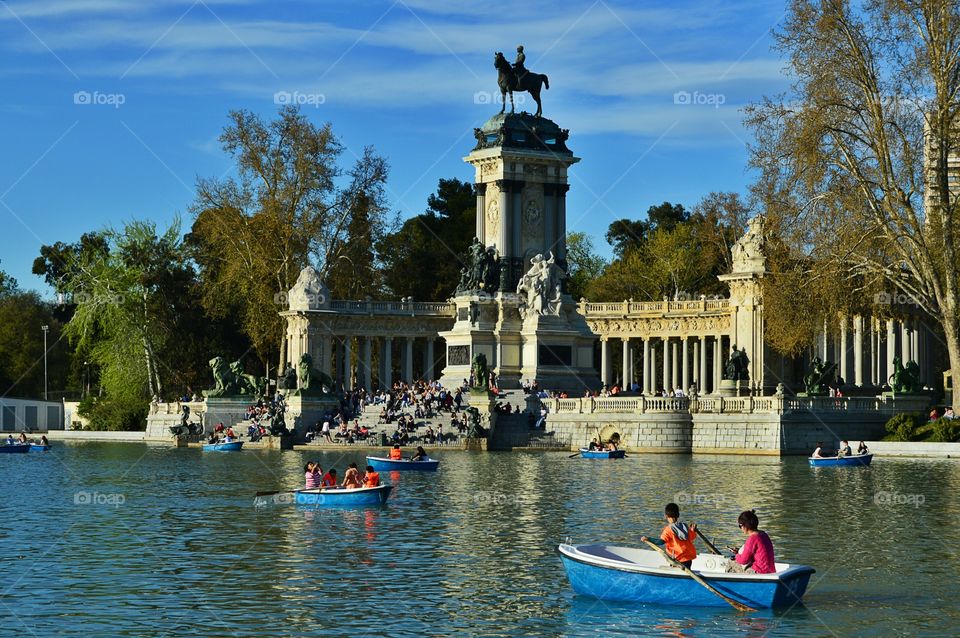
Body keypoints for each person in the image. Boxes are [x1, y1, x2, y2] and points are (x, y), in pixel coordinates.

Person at [641, 502, 698, 568]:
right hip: (688, 559)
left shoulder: (668, 529)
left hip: (677, 560)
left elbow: (661, 542)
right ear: (678, 515)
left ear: (666, 516)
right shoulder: (685, 527)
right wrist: (692, 530)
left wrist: (648, 539)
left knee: (676, 575)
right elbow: (692, 536)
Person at [727, 510, 776, 574]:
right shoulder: (764, 535)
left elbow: (743, 560)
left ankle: (728, 583)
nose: (740, 528)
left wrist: (736, 555)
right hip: (771, 570)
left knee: (731, 562)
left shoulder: (752, 539)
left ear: (745, 526)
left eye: (740, 525)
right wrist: (738, 552)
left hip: (759, 571)